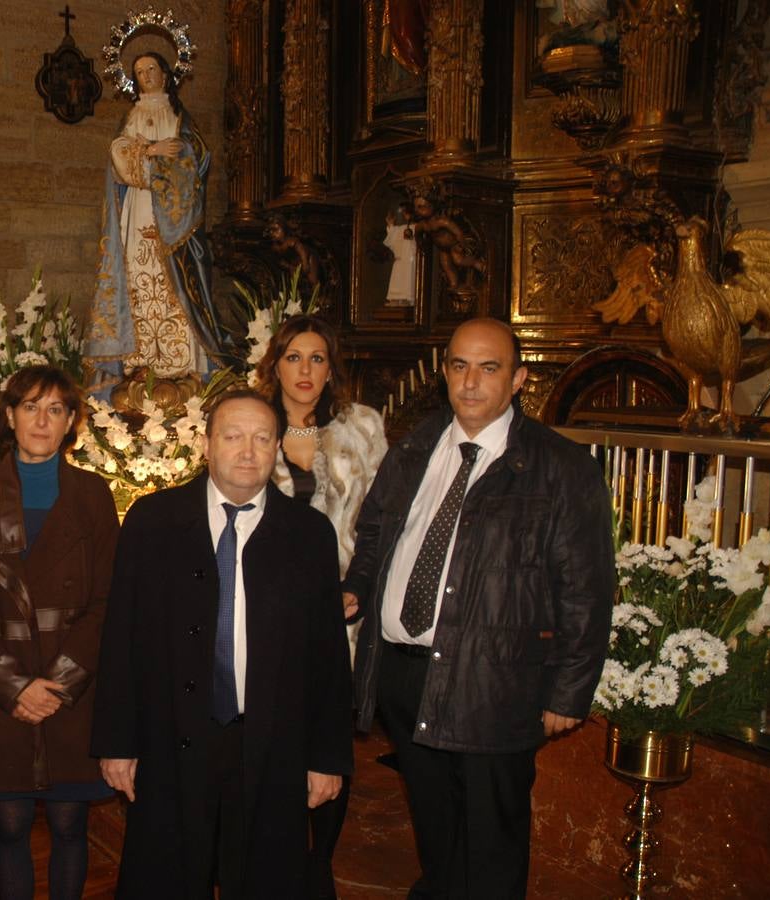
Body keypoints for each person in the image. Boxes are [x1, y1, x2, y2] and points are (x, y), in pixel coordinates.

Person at [342, 318, 615, 898]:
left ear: (517, 379)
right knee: (436, 830)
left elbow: (586, 589)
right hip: (405, 674)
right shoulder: (415, 446)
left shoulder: (562, 468)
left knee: (490, 840)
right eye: (460, 366)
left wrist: (569, 691)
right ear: (445, 372)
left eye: (489, 368)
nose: (471, 382)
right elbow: (375, 533)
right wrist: (359, 586)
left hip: (495, 680)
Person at [93, 389, 353, 899]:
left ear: (277, 447)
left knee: (264, 879)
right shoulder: (152, 522)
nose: (247, 451)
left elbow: (328, 658)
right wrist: (117, 744)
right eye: (233, 436)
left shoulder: (309, 533)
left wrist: (327, 756)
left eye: (262, 438)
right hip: (170, 738)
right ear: (207, 445)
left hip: (272, 745)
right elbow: (120, 639)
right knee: (167, 876)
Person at [0, 365, 119, 900]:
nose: (42, 420)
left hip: (71, 690)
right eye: (31, 407)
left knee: (68, 825)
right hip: (2, 691)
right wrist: (15, 687)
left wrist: (58, 685)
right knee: (11, 825)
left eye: (56, 409)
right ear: (10, 417)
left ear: (71, 423)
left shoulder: (93, 494)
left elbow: (108, 600)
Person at [254, 315, 387, 898]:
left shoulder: (361, 426)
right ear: (275, 365)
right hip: (268, 609)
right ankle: (275, 853)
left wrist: (359, 582)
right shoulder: (254, 424)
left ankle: (320, 865)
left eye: (317, 358)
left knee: (328, 739)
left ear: (332, 368)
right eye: (293, 358)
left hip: (341, 611)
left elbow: (381, 517)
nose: (305, 370)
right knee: (273, 729)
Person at [86, 51, 224, 388]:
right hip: (137, 212)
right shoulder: (131, 116)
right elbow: (117, 155)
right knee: (138, 275)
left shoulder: (179, 117)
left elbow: (196, 159)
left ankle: (181, 363)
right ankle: (139, 360)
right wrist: (151, 150)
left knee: (172, 281)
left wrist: (165, 157)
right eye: (139, 71)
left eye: (151, 68)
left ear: (165, 74)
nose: (146, 75)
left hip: (172, 221)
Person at [384, 203, 417, 307]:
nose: (404, 215)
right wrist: (390, 224)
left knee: (408, 277)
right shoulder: (401, 228)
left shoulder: (417, 226)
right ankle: (396, 299)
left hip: (411, 259)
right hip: (401, 259)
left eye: (405, 212)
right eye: (403, 212)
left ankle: (407, 299)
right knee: (398, 276)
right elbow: (393, 235)